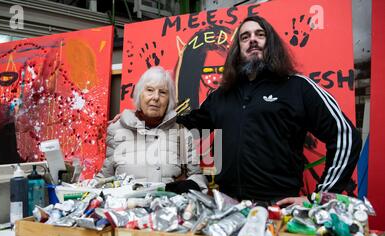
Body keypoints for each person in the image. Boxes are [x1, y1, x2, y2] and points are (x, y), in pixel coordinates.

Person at [176, 15, 362, 206]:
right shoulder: (222, 95)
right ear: (237, 50)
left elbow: (345, 136)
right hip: (227, 206)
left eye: (260, 34)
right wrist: (152, 111)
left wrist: (321, 198)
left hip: (277, 208)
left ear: (270, 43)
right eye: (245, 37)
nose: (253, 40)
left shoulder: (297, 87)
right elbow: (187, 125)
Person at [98, 66, 208, 194]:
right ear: (140, 95)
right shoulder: (117, 130)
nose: (156, 97)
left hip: (168, 211)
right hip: (127, 210)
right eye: (150, 90)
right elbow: (104, 180)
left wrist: (188, 186)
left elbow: (197, 177)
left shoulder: (182, 133)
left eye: (163, 92)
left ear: (169, 100)